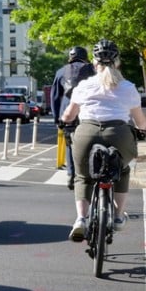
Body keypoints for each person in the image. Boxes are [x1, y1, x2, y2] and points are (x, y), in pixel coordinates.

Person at [59, 39, 146, 241]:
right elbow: (140, 121)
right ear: (117, 62)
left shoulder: (84, 85)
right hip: (119, 134)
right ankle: (117, 217)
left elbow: (69, 116)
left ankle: (81, 219)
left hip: (87, 132)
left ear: (93, 63)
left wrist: (64, 122)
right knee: (123, 169)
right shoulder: (128, 87)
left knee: (82, 176)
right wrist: (144, 129)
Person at [51, 46, 95, 190]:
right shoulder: (93, 69)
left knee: (71, 144)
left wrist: (57, 118)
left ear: (70, 57)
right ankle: (89, 173)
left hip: (67, 113)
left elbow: (55, 97)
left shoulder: (61, 71)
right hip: (88, 112)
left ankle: (72, 175)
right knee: (91, 142)